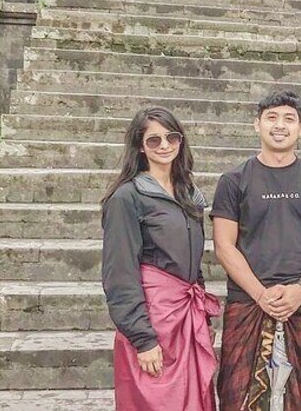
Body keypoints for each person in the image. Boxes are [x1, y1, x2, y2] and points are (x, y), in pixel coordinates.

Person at [212, 90, 301, 411]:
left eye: (288, 119)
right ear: (257, 124)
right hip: (247, 301)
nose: (280, 125)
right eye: (271, 118)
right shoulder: (233, 180)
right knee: (237, 396)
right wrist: (260, 294)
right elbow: (224, 246)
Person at [101, 106, 219, 411]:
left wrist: (203, 317)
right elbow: (119, 273)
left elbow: (193, 264)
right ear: (140, 146)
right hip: (153, 319)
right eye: (154, 140)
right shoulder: (127, 198)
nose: (164, 145)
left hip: (186, 317)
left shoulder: (188, 193)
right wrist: (143, 339)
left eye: (171, 137)